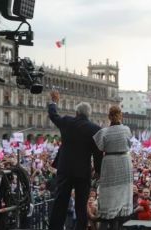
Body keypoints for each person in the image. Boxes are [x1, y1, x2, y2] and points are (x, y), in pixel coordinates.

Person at [48, 91, 103, 230]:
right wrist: (97, 170)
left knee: (60, 202)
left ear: (77, 112)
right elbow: (98, 153)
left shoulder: (67, 121)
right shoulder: (95, 129)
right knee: (81, 205)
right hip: (82, 172)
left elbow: (53, 116)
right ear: (88, 114)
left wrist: (54, 102)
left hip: (65, 169)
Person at [93, 105, 134, 230]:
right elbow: (129, 144)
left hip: (109, 162)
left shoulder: (103, 132)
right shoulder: (126, 129)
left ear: (109, 117)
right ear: (120, 115)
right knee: (122, 195)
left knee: (109, 196)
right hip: (124, 161)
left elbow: (99, 148)